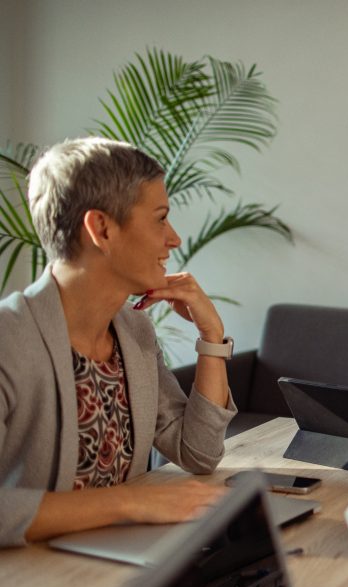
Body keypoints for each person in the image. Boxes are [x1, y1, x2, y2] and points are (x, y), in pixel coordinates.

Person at [0, 137, 236, 548]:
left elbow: (198, 453)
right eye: (160, 219)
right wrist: (130, 502)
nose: (174, 239)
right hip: (32, 580)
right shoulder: (9, 337)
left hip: (125, 563)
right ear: (101, 228)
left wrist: (211, 337)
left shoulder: (134, 331)